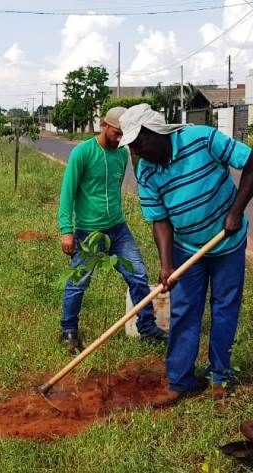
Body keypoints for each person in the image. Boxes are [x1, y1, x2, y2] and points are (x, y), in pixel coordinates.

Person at [118, 103, 253, 405]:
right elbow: (160, 219)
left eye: (138, 141)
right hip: (186, 247)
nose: (137, 150)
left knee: (225, 307)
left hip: (227, 242)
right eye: (132, 145)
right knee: (184, 310)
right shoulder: (146, 171)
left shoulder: (202, 138)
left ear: (155, 131)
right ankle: (180, 380)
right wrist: (167, 264)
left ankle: (219, 375)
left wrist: (236, 212)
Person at [57, 106, 168, 353]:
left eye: (123, 135)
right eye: (116, 133)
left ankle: (147, 327)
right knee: (78, 282)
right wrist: (66, 230)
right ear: (104, 125)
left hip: (118, 230)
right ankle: (68, 331)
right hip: (88, 233)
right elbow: (67, 193)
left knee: (138, 275)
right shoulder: (82, 153)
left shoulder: (121, 154)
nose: (120, 139)